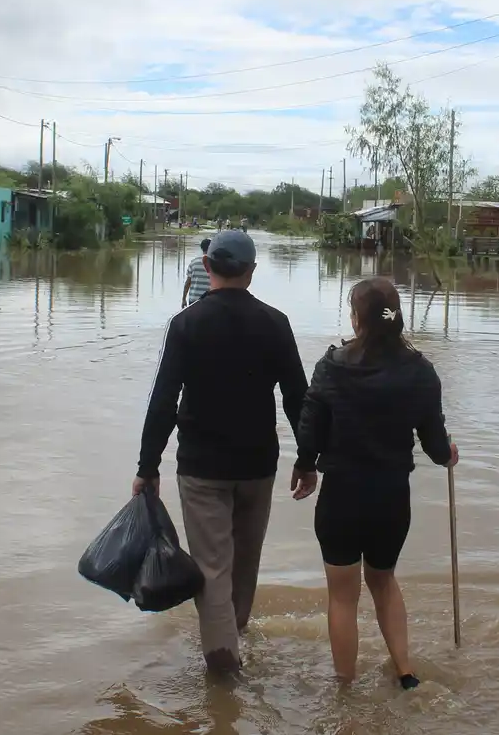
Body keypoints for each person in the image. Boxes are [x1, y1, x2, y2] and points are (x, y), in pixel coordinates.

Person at [135, 229, 316, 672]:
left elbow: (163, 401)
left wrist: (147, 466)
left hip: (201, 468)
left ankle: (222, 672)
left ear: (209, 267)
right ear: (251, 273)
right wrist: (309, 459)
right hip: (258, 465)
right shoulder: (276, 323)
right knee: (244, 564)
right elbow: (298, 398)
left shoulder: (186, 324)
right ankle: (234, 640)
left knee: (212, 568)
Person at [295, 277, 458, 689]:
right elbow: (435, 442)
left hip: (342, 497)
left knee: (343, 597)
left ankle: (345, 687)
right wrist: (447, 455)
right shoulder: (420, 371)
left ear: (357, 317)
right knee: (383, 581)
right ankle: (405, 672)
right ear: (395, 316)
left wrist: (305, 465)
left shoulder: (332, 366)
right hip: (390, 498)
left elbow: (310, 426)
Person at [180, 238, 212, 308]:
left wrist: (183, 299)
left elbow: (188, 283)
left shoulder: (194, 262)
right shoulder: (214, 263)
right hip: (209, 300)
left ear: (201, 248)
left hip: (194, 300)